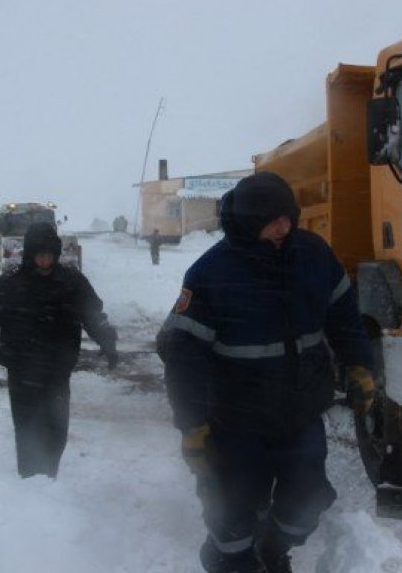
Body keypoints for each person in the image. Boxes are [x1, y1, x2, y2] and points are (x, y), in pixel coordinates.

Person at [157, 172, 375, 573]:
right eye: (272, 220)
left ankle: (274, 550)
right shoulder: (211, 274)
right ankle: (232, 560)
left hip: (301, 414)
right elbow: (183, 356)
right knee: (234, 515)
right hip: (235, 422)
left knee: (306, 500)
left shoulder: (313, 255)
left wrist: (360, 364)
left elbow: (344, 318)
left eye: (288, 217)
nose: (284, 227)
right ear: (246, 221)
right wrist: (192, 425)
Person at [0, 221, 119, 479]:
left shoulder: (72, 282)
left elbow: (94, 315)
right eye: (39, 255)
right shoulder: (9, 285)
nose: (44, 261)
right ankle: (30, 486)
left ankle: (49, 481)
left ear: (56, 255)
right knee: (28, 431)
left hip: (58, 370)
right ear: (30, 255)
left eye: (49, 255)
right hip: (22, 372)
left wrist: (107, 341)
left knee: (56, 431)